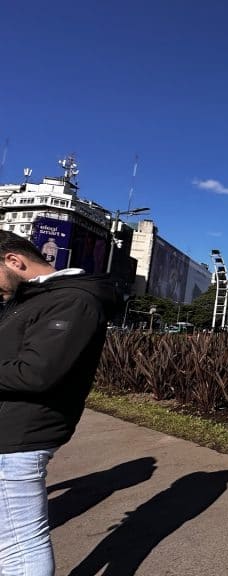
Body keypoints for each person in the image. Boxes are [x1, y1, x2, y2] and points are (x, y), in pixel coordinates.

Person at [0, 231, 119, 574]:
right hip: (10, 428)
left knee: (21, 544)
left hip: (18, 436)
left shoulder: (72, 301)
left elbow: (38, 373)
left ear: (14, 261)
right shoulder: (30, 298)